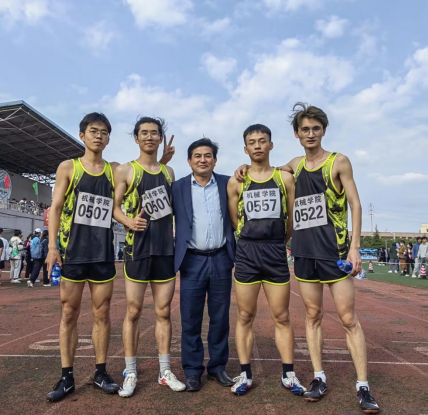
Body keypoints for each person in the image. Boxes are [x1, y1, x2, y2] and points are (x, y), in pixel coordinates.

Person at [237, 103, 379, 413]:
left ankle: (363, 386)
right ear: (296, 134)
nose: (310, 134)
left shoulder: (338, 162)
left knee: (347, 318)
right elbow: (266, 170)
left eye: (316, 128)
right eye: (305, 129)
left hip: (334, 252)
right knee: (312, 315)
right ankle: (319, 377)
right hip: (303, 253)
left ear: (323, 131)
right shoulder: (294, 165)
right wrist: (245, 168)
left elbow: (355, 204)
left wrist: (355, 247)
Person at [44, 113, 121, 402]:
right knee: (69, 313)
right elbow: (55, 207)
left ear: (109, 138)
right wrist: (52, 247)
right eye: (93, 131)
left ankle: (101, 372)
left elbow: (143, 172)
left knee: (102, 313)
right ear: (82, 135)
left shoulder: (114, 170)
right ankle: (66, 377)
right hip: (73, 252)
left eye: (104, 132)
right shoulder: (69, 167)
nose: (98, 136)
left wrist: (162, 161)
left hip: (102, 253)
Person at [228, 125, 304, 396]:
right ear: (245, 148)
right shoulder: (236, 182)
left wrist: (279, 241)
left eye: (262, 141)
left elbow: (291, 218)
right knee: (244, 315)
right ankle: (245, 374)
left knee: (281, 316)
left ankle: (288, 374)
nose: (258, 145)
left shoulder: (285, 178)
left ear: (271, 145)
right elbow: (235, 221)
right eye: (252, 142)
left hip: (275, 252)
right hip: (247, 253)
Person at [113, 116, 185, 398]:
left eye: (154, 133)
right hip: (138, 250)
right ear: (136, 138)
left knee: (163, 312)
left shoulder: (169, 172)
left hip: (165, 250)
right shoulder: (125, 170)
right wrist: (128, 221)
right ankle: (130, 371)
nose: (149, 137)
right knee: (133, 311)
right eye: (144, 133)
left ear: (160, 138)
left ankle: (165, 371)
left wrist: (164, 161)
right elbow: (114, 207)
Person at [171, 138, 236, 392]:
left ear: (215, 160)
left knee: (220, 318)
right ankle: (192, 371)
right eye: (197, 156)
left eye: (208, 155)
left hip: (221, 258)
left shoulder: (228, 183)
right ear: (189, 161)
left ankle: (218, 367)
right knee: (190, 318)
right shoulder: (177, 187)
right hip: (191, 260)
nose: (202, 160)